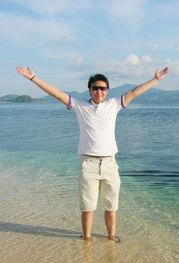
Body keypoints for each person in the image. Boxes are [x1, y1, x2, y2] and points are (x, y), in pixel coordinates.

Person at [16, 65, 169, 242]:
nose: (99, 91)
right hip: (88, 164)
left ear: (107, 91)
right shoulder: (80, 106)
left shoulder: (114, 105)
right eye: (95, 88)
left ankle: (111, 238)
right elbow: (57, 93)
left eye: (102, 88)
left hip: (110, 165)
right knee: (88, 207)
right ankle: (86, 240)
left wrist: (156, 79)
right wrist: (33, 78)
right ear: (89, 90)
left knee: (111, 206)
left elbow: (134, 92)